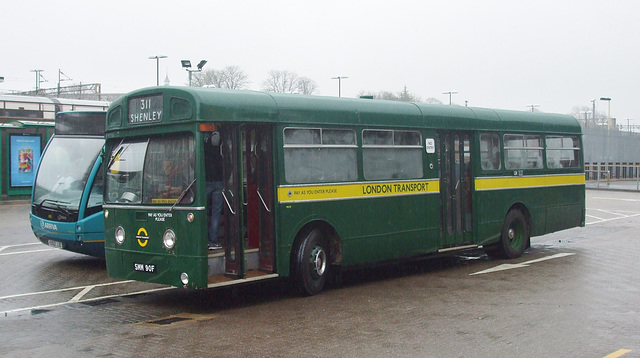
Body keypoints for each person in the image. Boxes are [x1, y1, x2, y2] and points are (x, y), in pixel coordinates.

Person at [205, 131, 223, 250]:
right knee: (216, 212)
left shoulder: (204, 145)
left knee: (203, 210)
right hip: (219, 181)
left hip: (206, 181)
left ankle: (203, 238)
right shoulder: (221, 146)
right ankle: (213, 239)